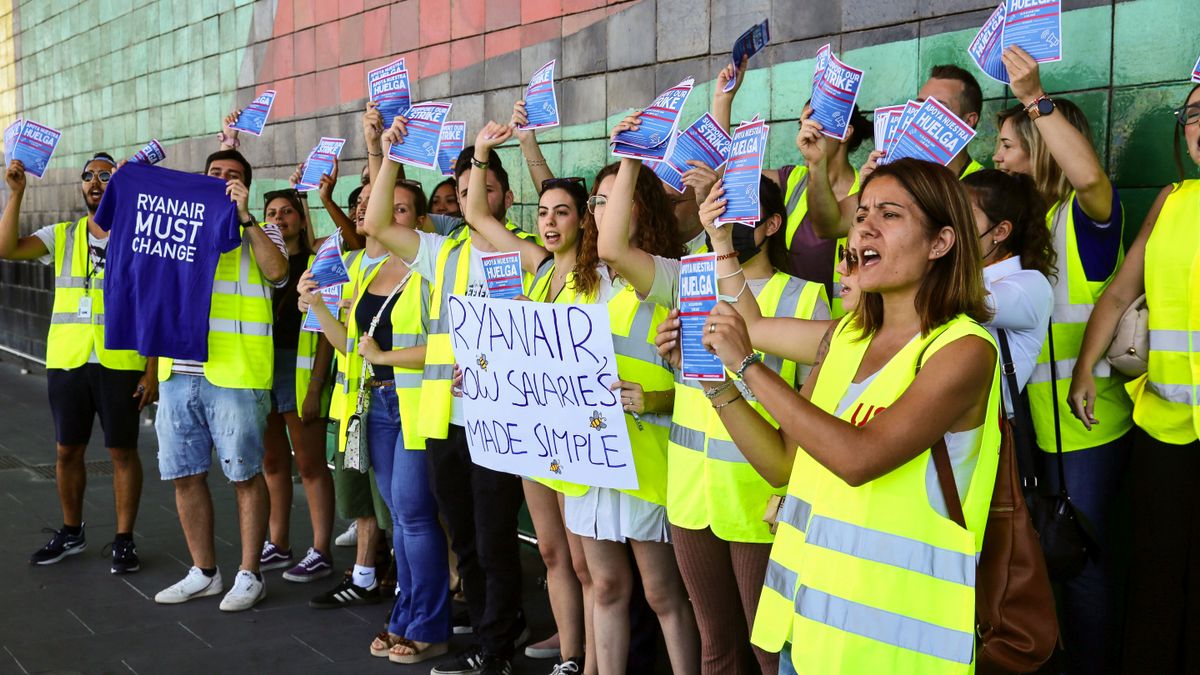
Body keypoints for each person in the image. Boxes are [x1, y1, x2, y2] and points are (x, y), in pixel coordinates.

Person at [705, 158, 1000, 673]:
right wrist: (717, 384)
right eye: (861, 213)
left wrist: (748, 368)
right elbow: (783, 465)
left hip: (894, 645)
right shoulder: (843, 336)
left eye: (889, 215)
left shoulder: (965, 350)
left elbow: (858, 458)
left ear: (941, 243)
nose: (864, 225)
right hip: (809, 626)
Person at [645, 173, 830, 675]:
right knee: (716, 649)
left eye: (741, 215)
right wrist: (674, 355)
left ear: (772, 224)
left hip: (758, 498)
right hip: (690, 495)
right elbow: (693, 378)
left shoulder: (807, 300)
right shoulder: (693, 283)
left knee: (769, 650)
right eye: (719, 215)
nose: (728, 223)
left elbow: (810, 408)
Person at [372, 117, 538, 675]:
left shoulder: (524, 253)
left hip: (501, 421)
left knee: (494, 539)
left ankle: (496, 648)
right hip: (448, 416)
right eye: (464, 191)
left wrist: (487, 155)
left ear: (506, 197)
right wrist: (389, 153)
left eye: (485, 189)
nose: (472, 200)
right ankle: (496, 623)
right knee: (463, 537)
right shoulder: (441, 252)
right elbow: (375, 222)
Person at [993, 46, 1131, 674]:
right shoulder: (1019, 232)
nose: (997, 158)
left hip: (1087, 428)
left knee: (1084, 570)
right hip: (1030, 434)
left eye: (1009, 145)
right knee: (1044, 568)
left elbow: (1093, 181)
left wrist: (1034, 99)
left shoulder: (1083, 218)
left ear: (1044, 147)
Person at [1068, 82, 1200, 674]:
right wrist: (1084, 369)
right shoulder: (1172, 199)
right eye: (1195, 114)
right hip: (1167, 431)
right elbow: (1121, 290)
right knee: (1156, 576)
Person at [300, 174, 451, 665]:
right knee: (399, 517)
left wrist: (385, 357)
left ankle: (429, 623)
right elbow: (350, 346)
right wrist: (318, 304)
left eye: (401, 210)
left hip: (415, 405)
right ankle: (404, 612)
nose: (386, 216)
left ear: (421, 222)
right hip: (377, 407)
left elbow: (446, 347)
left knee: (412, 512)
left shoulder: (433, 268)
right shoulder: (368, 268)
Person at [1, 153, 157, 574]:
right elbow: (8, 248)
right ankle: (72, 531)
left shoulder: (140, 238)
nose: (95, 182)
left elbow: (154, 306)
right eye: (88, 176)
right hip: (68, 359)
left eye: (106, 176)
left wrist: (152, 368)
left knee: (122, 450)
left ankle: (124, 540)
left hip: (121, 359)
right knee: (67, 449)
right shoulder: (64, 234)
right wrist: (16, 194)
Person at [148, 148, 289, 612]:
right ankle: (203, 572)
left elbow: (277, 271)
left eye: (234, 176)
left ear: (247, 185)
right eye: (215, 174)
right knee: (184, 475)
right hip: (178, 372)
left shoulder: (263, 229)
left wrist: (246, 217)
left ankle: (250, 574)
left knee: (245, 476)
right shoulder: (181, 229)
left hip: (236, 373)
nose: (224, 180)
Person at [255, 189, 337, 583]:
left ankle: (321, 549)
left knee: (310, 465)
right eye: (271, 213)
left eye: (287, 211)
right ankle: (278, 541)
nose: (279, 218)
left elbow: (323, 332)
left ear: (301, 219)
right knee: (272, 463)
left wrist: (315, 384)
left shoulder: (316, 261)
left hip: (301, 371)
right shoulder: (256, 262)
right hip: (261, 369)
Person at [961, 169, 1055, 415]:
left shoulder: (1031, 285)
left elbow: (970, 304)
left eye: (963, 216)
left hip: (986, 432)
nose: (951, 224)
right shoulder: (964, 272)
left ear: (1000, 232)